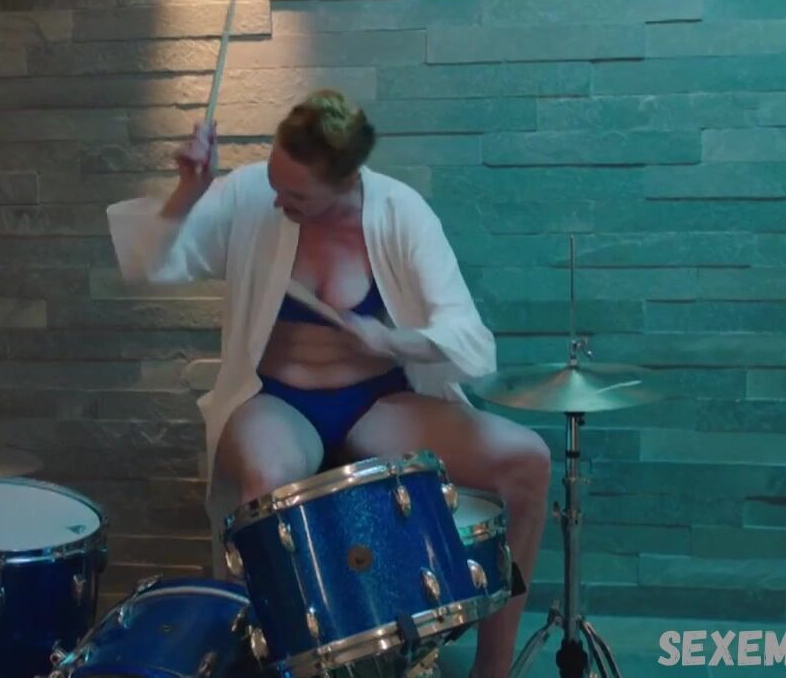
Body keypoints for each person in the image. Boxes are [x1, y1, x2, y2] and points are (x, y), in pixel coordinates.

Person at [107, 88, 551, 678]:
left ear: (346, 181)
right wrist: (189, 191)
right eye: (275, 183)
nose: (278, 200)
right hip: (277, 401)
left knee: (528, 460)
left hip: (378, 402)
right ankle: (279, 666)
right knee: (266, 484)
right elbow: (155, 261)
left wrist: (391, 340)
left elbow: (468, 338)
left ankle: (493, 669)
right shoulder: (252, 195)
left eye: (296, 196)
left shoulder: (400, 213)